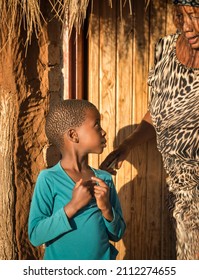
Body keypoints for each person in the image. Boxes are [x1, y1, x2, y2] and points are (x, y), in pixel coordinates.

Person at [100, 0, 199, 260]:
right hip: (181, 190)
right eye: (182, 16)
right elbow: (157, 112)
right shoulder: (165, 48)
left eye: (195, 16)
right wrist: (127, 145)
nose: (189, 27)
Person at [28, 99, 126, 260]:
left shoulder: (104, 179)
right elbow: (35, 235)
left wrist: (107, 209)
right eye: (97, 125)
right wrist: (73, 206)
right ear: (73, 135)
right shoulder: (48, 179)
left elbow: (117, 234)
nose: (103, 132)